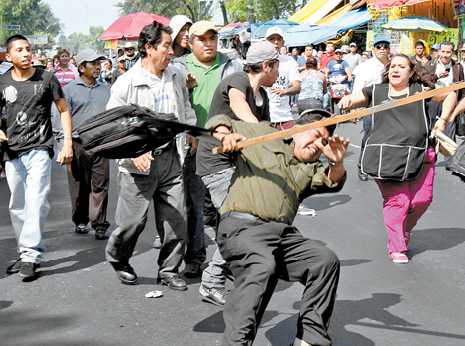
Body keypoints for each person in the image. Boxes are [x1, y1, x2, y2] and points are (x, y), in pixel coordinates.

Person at [206, 109, 348, 346]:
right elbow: (219, 120)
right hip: (242, 227)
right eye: (314, 136)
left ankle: (310, 339)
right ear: (297, 129)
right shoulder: (263, 135)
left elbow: (333, 181)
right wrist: (224, 135)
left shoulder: (311, 168)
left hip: (280, 235)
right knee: (261, 265)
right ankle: (235, 343)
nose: (317, 145)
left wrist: (337, 162)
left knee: (324, 260)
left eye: (323, 142)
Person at [339, 54, 457, 264]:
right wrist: (347, 101)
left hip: (420, 155)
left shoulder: (420, 91)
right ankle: (397, 247)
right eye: (392, 66)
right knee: (398, 201)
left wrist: (443, 121)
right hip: (385, 158)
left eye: (401, 67)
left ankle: (401, 230)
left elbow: (450, 94)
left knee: (422, 200)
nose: (395, 70)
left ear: (411, 72)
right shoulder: (376, 91)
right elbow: (353, 99)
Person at [105, 21, 196, 291]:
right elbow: (113, 125)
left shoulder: (176, 75)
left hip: (170, 156)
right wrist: (135, 152)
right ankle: (119, 257)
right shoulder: (127, 83)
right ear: (148, 48)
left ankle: (169, 269)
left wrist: (189, 129)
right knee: (132, 222)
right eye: (166, 46)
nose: (171, 51)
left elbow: (185, 105)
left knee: (176, 217)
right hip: (138, 161)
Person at [196, 40, 279, 306]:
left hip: (237, 164)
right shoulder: (237, 81)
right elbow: (238, 104)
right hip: (216, 165)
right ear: (266, 66)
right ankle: (211, 282)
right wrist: (260, 130)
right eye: (277, 66)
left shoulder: (263, 97)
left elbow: (264, 131)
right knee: (238, 224)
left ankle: (232, 268)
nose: (279, 72)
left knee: (245, 221)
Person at [0, 34, 73, 281]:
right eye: (19, 50)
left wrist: (67, 144)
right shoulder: (2, 82)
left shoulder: (47, 78)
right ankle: (25, 252)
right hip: (12, 152)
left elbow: (63, 110)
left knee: (37, 199)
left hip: (40, 148)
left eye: (28, 49)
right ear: (8, 56)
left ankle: (31, 255)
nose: (26, 53)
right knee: (18, 205)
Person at [181, 20, 242, 278]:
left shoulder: (231, 65)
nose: (208, 43)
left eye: (212, 38)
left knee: (228, 205)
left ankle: (229, 257)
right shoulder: (179, 67)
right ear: (190, 41)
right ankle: (195, 256)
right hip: (194, 143)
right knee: (194, 205)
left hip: (225, 143)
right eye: (201, 39)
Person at [62, 49, 111, 240]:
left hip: (101, 143)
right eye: (93, 63)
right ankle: (80, 219)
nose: (98, 67)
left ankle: (99, 223)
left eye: (99, 63)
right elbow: (62, 118)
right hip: (77, 143)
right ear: (81, 67)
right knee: (79, 185)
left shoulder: (106, 88)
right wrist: (64, 145)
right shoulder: (69, 90)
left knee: (100, 184)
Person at [353, 35, 391, 181]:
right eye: (379, 46)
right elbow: (358, 88)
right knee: (369, 137)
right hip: (372, 106)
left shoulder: (393, 64)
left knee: (389, 138)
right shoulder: (365, 66)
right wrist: (355, 108)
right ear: (373, 49)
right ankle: (362, 166)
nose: (382, 49)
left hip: (391, 106)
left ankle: (384, 167)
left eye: (385, 46)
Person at [425, 41, 464, 138]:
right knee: (430, 135)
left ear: (452, 53)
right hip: (432, 104)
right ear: (438, 52)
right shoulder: (429, 65)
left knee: (447, 137)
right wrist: (436, 76)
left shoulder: (458, 67)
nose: (445, 55)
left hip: (450, 104)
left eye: (448, 52)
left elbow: (463, 89)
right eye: (443, 51)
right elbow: (424, 81)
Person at [265, 27, 301, 129]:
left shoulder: (290, 61)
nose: (275, 42)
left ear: (283, 42)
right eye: (272, 39)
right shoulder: (259, 61)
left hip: (284, 117)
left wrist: (284, 91)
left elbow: (297, 87)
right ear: (266, 42)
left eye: (278, 39)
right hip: (264, 119)